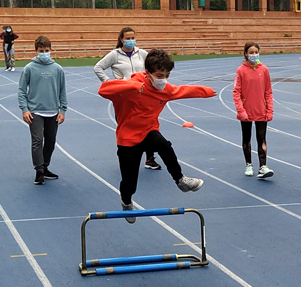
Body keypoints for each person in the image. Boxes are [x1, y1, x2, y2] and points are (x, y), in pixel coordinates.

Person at [98, 49, 213, 222]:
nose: (163, 80)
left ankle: (181, 180)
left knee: (164, 145)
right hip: (128, 138)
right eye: (159, 75)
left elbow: (183, 90)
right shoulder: (131, 86)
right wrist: (133, 85)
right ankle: (126, 201)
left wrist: (206, 91)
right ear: (148, 73)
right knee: (129, 182)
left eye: (167, 75)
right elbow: (103, 90)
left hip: (149, 132)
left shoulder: (165, 89)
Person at [93, 26, 159, 171]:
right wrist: (110, 82)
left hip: (143, 95)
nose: (130, 41)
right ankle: (127, 158)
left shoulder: (142, 54)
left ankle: (150, 158)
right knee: (126, 127)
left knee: (148, 125)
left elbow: (153, 66)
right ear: (121, 39)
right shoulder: (114, 55)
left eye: (132, 38)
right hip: (123, 97)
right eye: (127, 38)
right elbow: (98, 67)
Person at [18, 35, 67, 185]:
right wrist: (25, 109)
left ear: (50, 50)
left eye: (46, 50)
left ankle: (45, 166)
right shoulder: (29, 68)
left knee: (51, 142)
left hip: (53, 111)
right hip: (35, 111)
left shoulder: (58, 69)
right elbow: (21, 90)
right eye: (41, 50)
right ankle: (39, 170)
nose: (44, 52)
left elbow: (62, 90)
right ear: (36, 51)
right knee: (37, 141)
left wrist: (62, 110)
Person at [233, 42, 273, 178]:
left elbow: (268, 92)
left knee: (261, 138)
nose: (254, 55)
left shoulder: (264, 70)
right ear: (245, 54)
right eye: (251, 52)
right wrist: (241, 110)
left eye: (256, 52)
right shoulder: (241, 71)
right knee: (246, 138)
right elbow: (236, 92)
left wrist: (270, 110)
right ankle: (248, 164)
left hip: (261, 110)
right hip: (246, 111)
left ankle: (263, 166)